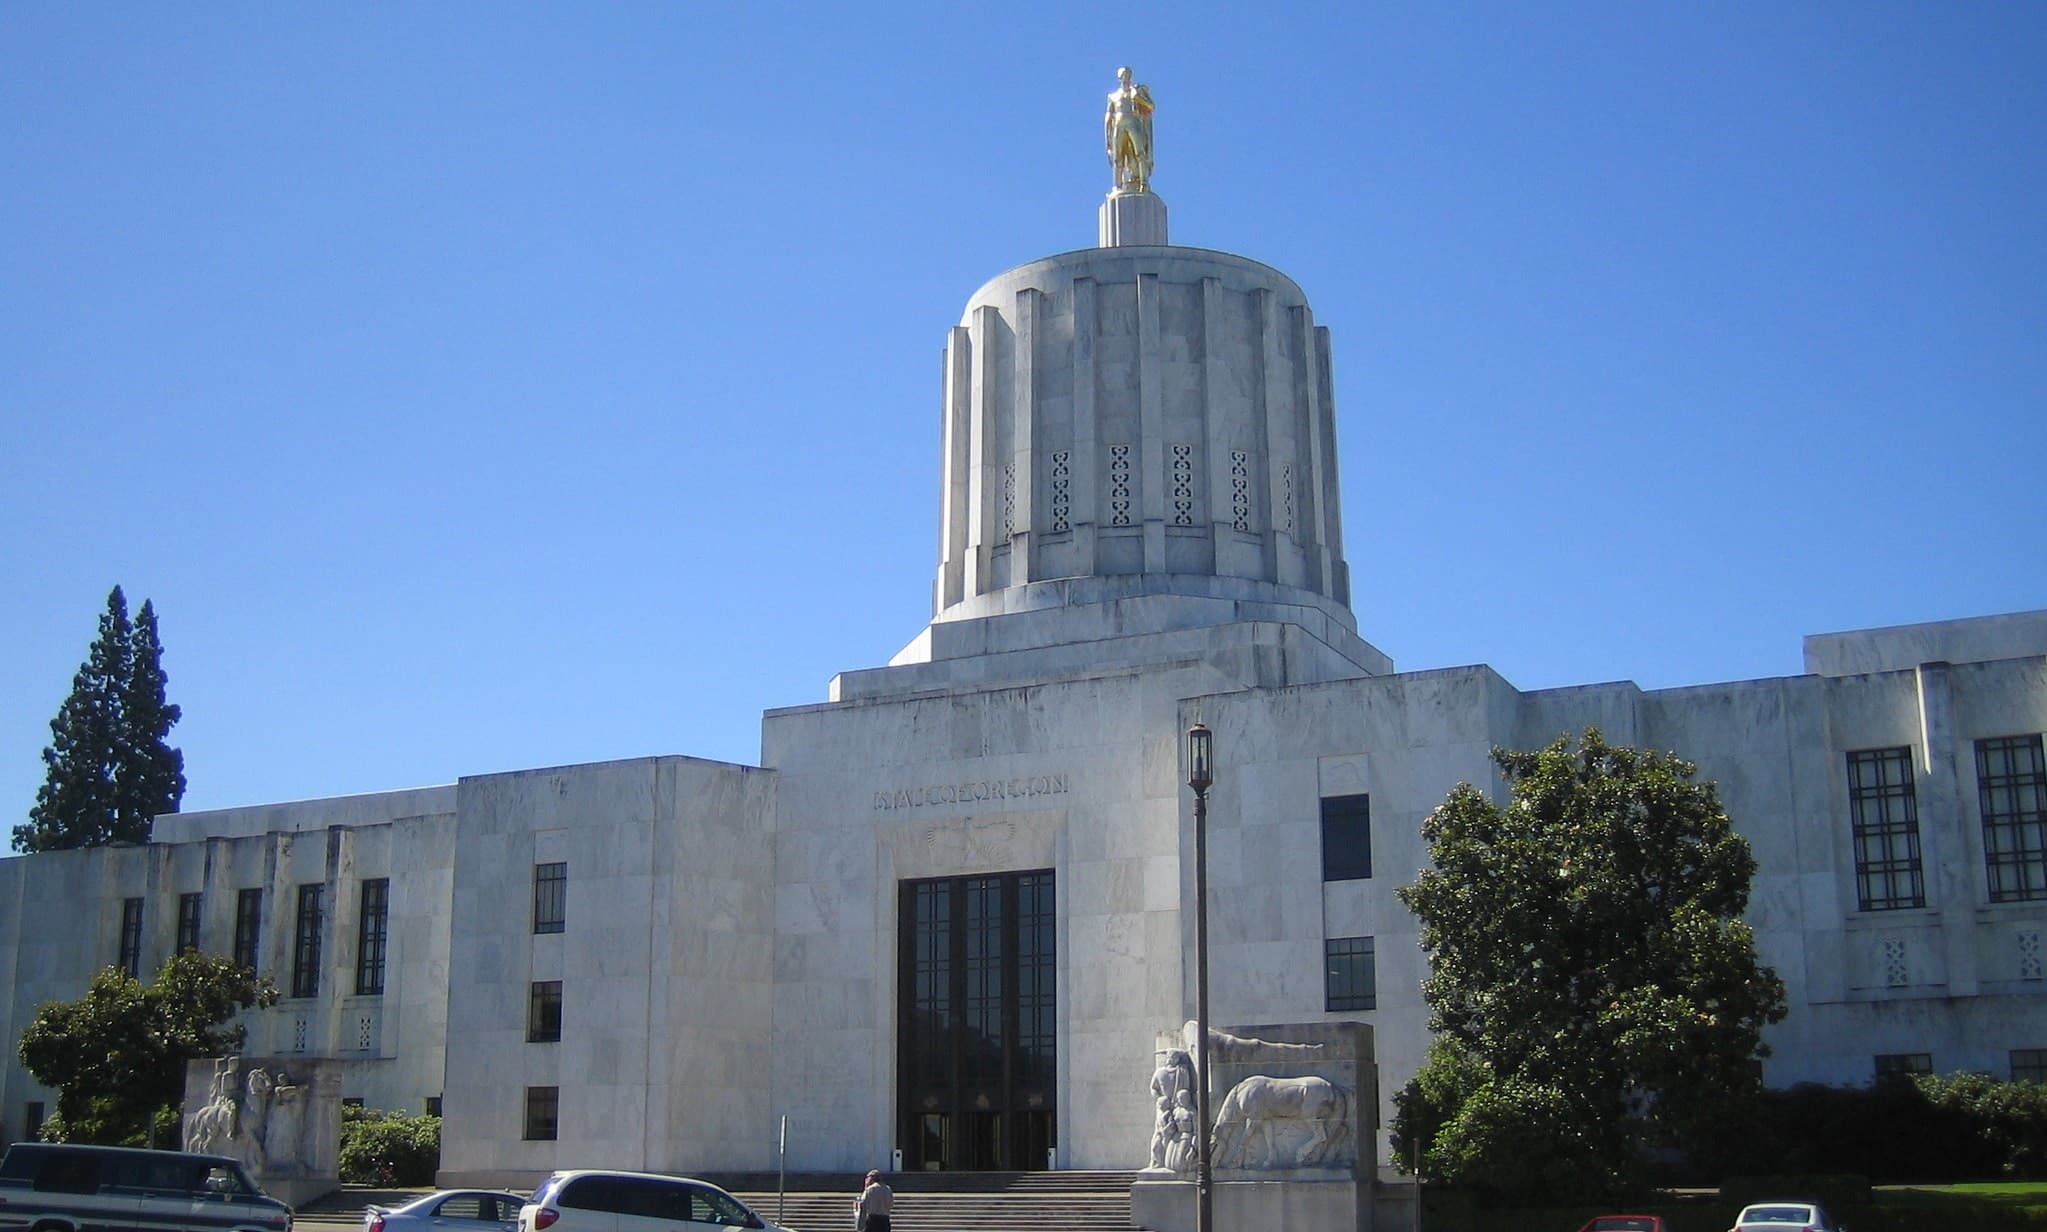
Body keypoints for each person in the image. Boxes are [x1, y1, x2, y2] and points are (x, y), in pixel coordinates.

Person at [1103, 66, 1155, 193]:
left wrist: (1138, 97)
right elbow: (1108, 117)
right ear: (1119, 77)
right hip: (1119, 123)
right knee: (1118, 156)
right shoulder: (1113, 96)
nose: (1126, 77)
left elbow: (1151, 106)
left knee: (1140, 152)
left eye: (1128, 74)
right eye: (1124, 75)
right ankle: (1117, 185)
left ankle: (1143, 182)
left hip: (1133, 121)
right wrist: (1107, 140)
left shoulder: (1135, 93)